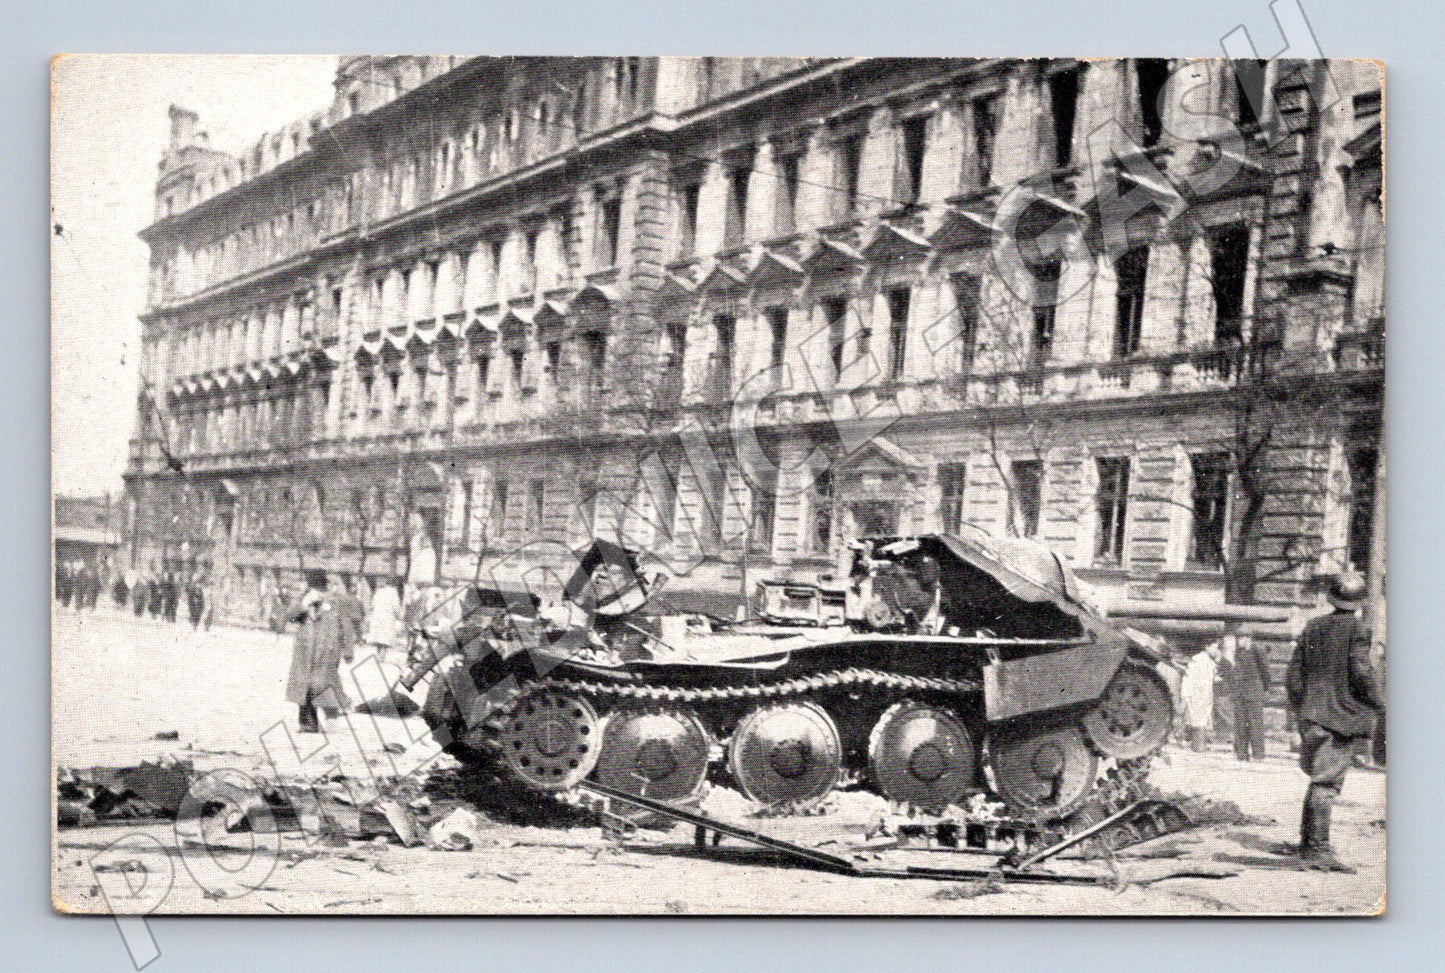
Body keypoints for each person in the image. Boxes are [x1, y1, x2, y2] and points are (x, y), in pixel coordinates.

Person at [1285, 572, 1384, 871]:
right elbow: (1361, 674)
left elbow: (1293, 676)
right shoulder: (1358, 629)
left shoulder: (1313, 626)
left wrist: (1303, 707)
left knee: (1318, 779)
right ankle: (1317, 850)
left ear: (1331, 598)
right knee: (1326, 783)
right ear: (1359, 602)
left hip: (1312, 714)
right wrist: (1380, 703)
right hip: (1339, 718)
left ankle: (1307, 844)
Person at [285, 569, 355, 733]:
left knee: (324, 683)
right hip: (305, 649)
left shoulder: (336, 601)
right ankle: (308, 723)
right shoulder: (304, 600)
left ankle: (332, 719)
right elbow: (290, 616)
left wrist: (348, 650)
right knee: (304, 685)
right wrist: (303, 604)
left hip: (327, 649)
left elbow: (346, 625)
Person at [1225, 630, 1270, 761]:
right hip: (1240, 693)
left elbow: (1265, 671)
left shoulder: (1258, 650)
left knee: (1255, 724)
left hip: (1254, 693)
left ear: (1248, 638)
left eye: (1240, 639)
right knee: (1240, 724)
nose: (1238, 642)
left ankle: (1258, 755)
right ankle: (1241, 754)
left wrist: (1264, 688)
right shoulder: (1238, 652)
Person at [1180, 643, 1220, 752]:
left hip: (1206, 695)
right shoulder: (1197, 659)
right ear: (1207, 647)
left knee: (1204, 719)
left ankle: (1202, 744)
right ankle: (1197, 745)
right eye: (1214, 648)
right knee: (1196, 719)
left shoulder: (1211, 661)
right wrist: (1186, 694)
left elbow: (1211, 677)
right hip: (1196, 694)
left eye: (1217, 648)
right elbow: (1188, 677)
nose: (1216, 650)